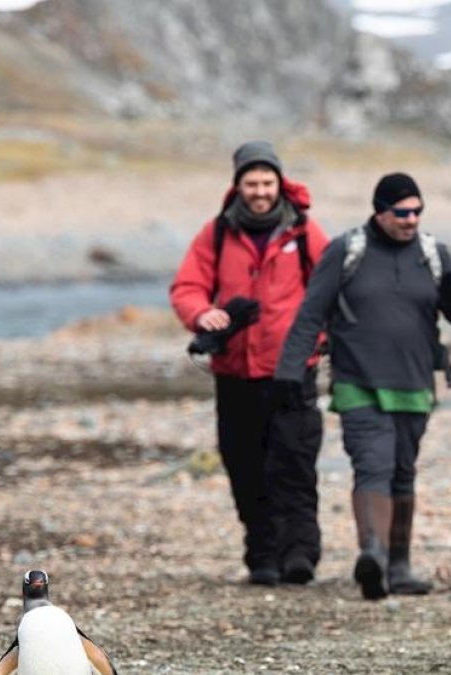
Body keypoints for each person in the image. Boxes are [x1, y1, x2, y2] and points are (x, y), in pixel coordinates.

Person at [275, 172, 451, 600]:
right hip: (357, 383)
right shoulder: (347, 252)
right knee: (373, 464)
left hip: (415, 383)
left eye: (417, 212)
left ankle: (399, 567)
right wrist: (290, 372)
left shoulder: (432, 254)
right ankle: (374, 555)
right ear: (379, 211)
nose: (410, 220)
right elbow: (311, 314)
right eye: (401, 212)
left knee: (403, 471)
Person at [170, 141, 329, 586]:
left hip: (293, 371)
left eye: (266, 182)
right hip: (235, 372)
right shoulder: (217, 233)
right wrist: (203, 314)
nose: (259, 191)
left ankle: (300, 554)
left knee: (295, 463)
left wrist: (319, 340)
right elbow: (187, 287)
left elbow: (333, 289)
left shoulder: (304, 231)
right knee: (244, 465)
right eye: (251, 183)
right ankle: (261, 555)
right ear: (237, 185)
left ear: (280, 183)